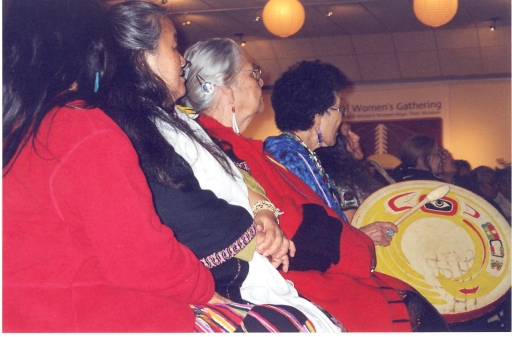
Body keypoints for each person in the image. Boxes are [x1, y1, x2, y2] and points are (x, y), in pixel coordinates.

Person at [2, 0, 314, 332]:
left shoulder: (19, 131)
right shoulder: (81, 128)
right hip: (95, 315)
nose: (183, 60)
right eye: (175, 47)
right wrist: (210, 294)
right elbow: (141, 259)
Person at [182, 41, 449, 332]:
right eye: (253, 72)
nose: (261, 81)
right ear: (226, 87)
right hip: (292, 283)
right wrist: (360, 248)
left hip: (312, 272)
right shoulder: (224, 148)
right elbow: (298, 228)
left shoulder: (238, 146)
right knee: (412, 312)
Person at [103, 1, 332, 332]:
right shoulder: (134, 127)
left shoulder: (178, 120)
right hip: (217, 281)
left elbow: (241, 181)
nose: (182, 60)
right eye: (173, 47)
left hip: (254, 263)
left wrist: (265, 213)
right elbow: (182, 210)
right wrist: (258, 234)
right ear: (143, 57)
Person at [263, 61, 398, 247]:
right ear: (318, 114)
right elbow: (307, 233)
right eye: (339, 109)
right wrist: (360, 236)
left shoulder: (298, 153)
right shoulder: (290, 156)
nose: (342, 116)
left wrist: (361, 234)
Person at [316, 122, 390, 222]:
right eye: (347, 134)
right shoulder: (337, 180)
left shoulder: (365, 168)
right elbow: (355, 224)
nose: (356, 137)